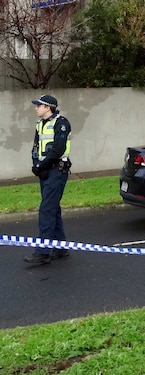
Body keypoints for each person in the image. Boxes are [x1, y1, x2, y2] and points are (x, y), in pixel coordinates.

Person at [23, 94, 73, 265]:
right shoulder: (40, 124)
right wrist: (36, 164)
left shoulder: (61, 123)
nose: (36, 108)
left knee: (46, 209)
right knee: (52, 208)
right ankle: (60, 247)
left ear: (48, 107)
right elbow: (36, 147)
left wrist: (42, 165)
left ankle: (42, 252)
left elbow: (58, 149)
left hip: (57, 171)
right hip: (46, 171)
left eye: (39, 105)